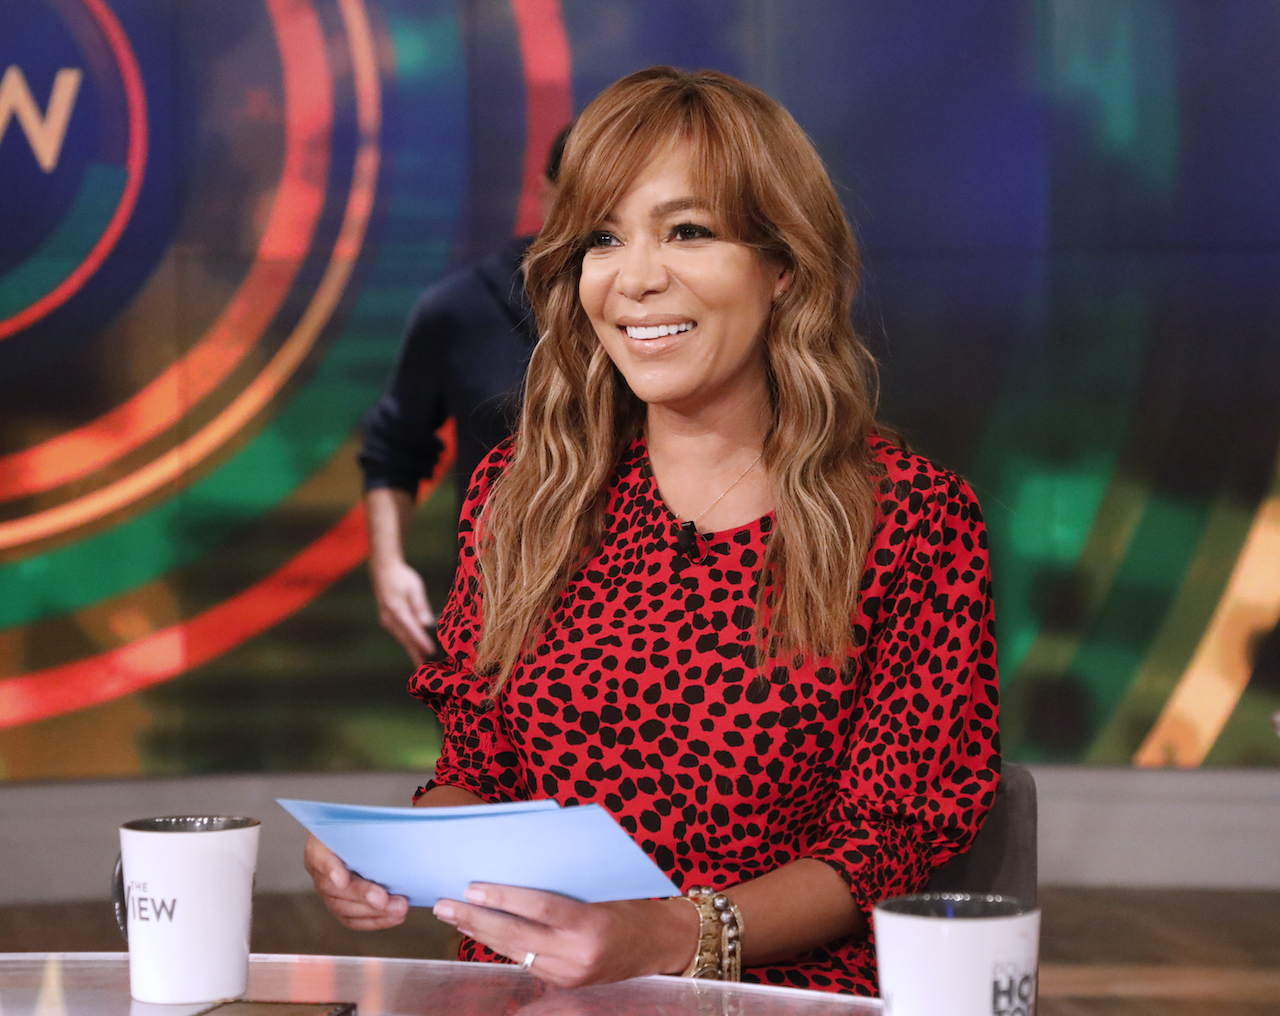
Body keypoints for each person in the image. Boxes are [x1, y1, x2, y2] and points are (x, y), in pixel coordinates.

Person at [307, 66, 1000, 997]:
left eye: (688, 232)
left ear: (783, 266)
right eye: (602, 238)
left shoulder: (912, 521)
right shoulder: (523, 498)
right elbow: (481, 769)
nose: (635, 278)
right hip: (530, 993)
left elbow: (890, 840)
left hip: (776, 996)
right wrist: (400, 851)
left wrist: (669, 936)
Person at [358, 126, 571, 664]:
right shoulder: (459, 309)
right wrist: (388, 567)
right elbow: (394, 446)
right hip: (501, 618)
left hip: (642, 607)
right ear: (546, 195)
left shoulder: (649, 311)